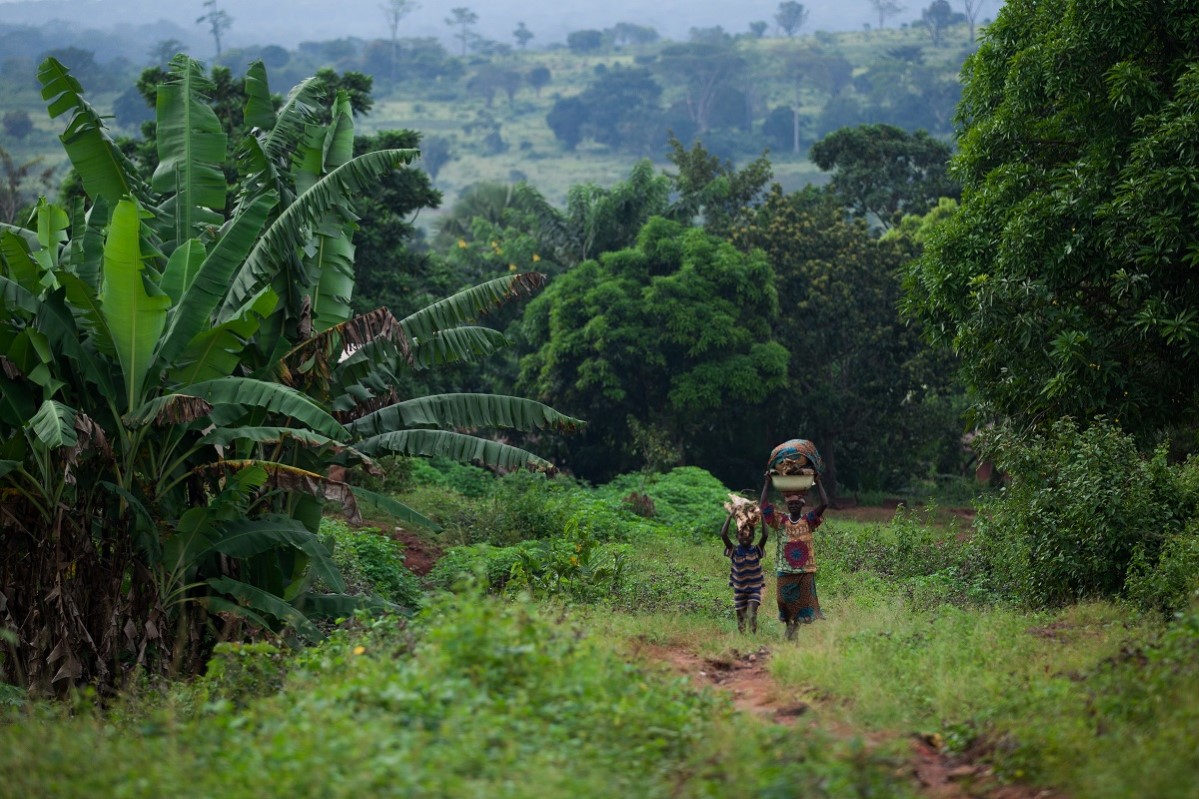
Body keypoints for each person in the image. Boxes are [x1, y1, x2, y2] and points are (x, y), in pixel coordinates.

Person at [759, 470, 829, 641]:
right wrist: (767, 482)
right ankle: (789, 626)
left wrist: (818, 481)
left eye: (798, 503)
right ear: (787, 506)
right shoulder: (781, 521)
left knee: (800, 605)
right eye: (791, 504)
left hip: (804, 570)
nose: (794, 505)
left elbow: (824, 503)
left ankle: (793, 631)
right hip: (784, 569)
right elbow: (764, 507)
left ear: (802, 505)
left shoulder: (809, 520)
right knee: (783, 600)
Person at [719, 497, 767, 634]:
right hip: (739, 589)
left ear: (753, 537)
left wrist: (762, 516)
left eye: (749, 535)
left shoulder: (756, 550)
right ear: (737, 536)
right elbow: (723, 534)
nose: (745, 537)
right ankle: (743, 640)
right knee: (740, 618)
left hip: (754, 589)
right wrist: (730, 515)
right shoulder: (733, 550)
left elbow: (765, 535)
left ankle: (753, 637)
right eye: (741, 535)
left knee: (752, 613)